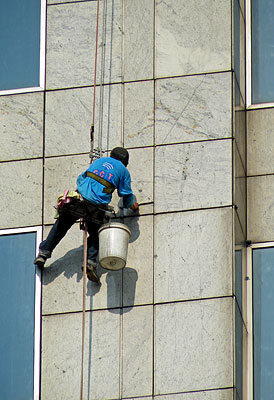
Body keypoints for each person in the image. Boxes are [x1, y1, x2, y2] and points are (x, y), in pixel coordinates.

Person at [34, 147, 139, 283]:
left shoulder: (99, 161)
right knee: (96, 233)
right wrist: (133, 207)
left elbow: (81, 178)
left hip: (80, 199)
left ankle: (43, 253)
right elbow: (126, 195)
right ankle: (90, 263)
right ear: (125, 161)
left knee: (61, 226)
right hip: (97, 206)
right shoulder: (123, 171)